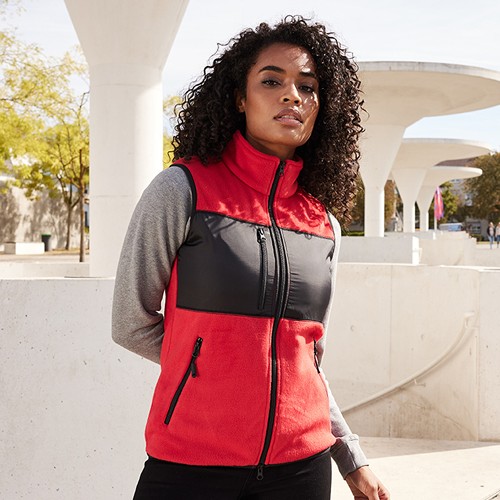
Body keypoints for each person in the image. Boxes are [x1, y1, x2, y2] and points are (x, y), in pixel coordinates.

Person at [112, 15, 390, 500]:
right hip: (191, 462)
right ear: (239, 98)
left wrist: (350, 457)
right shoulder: (182, 189)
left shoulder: (323, 222)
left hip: (302, 467)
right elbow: (129, 323)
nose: (292, 96)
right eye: (271, 81)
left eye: (307, 87)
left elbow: (307, 360)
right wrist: (209, 367)